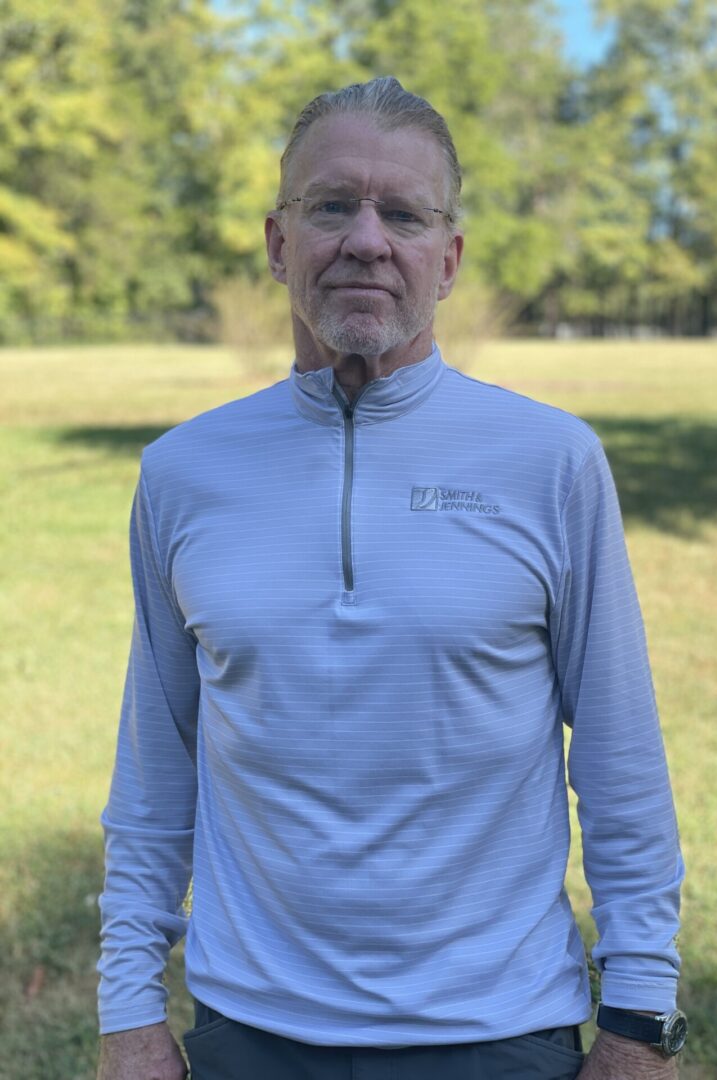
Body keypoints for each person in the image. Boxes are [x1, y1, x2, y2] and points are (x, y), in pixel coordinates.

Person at [96, 77, 686, 1080]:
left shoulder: (551, 461)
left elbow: (621, 760)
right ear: (279, 242)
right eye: (331, 206)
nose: (366, 240)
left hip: (497, 1031)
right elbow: (157, 768)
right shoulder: (184, 472)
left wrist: (639, 1017)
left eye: (402, 213)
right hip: (250, 1031)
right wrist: (126, 1011)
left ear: (445, 259)